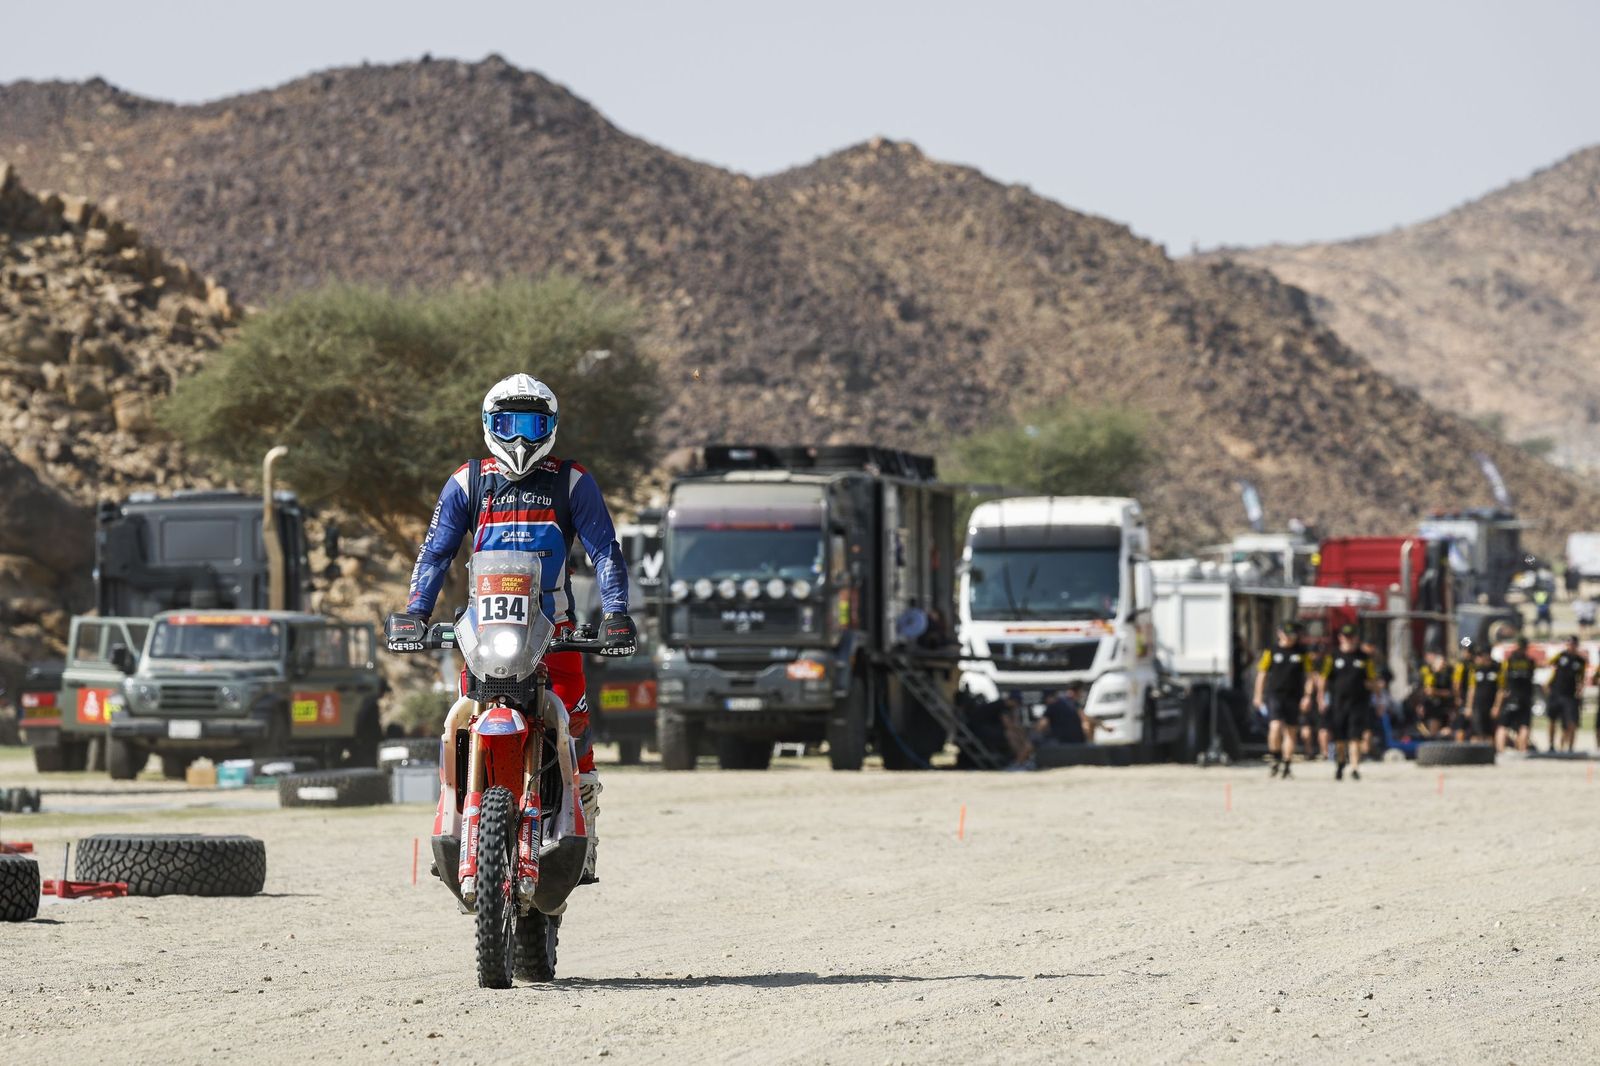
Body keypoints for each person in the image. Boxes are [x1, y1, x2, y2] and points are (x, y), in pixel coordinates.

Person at [386, 374, 637, 883]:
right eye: (508, 424)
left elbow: (604, 551)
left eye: (533, 424)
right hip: (485, 631)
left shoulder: (572, 481)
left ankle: (583, 829)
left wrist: (615, 614)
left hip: (554, 631)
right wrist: (416, 611)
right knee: (460, 721)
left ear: (552, 426)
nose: (520, 438)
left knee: (577, 731)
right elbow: (436, 552)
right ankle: (455, 816)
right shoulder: (467, 481)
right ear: (487, 426)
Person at [1252, 621, 1316, 779]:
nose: (1289, 638)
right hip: (1274, 694)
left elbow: (1309, 676)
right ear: (1279, 634)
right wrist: (1258, 695)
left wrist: (1307, 696)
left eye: (1291, 635)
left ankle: (1287, 764)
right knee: (1275, 726)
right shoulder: (1271, 651)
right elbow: (1262, 674)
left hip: (1294, 696)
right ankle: (1274, 757)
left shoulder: (1302, 653)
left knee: (1291, 731)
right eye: (1286, 634)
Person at [1318, 625, 1380, 781]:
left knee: (1355, 737)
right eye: (1346, 636)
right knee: (1339, 738)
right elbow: (1323, 679)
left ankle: (1355, 767)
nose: (1349, 640)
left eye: (1351, 636)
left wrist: (1378, 698)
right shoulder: (1332, 656)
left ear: (1356, 638)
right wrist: (1320, 698)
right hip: (1338, 703)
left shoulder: (1364, 658)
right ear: (1340, 638)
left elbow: (1373, 680)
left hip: (1358, 703)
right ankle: (1340, 762)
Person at [1493, 636, 1537, 754]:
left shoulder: (1508, 662)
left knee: (1503, 725)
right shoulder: (1530, 662)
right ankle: (1522, 751)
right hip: (1526, 697)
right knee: (1524, 725)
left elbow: (1503, 684)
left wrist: (1498, 704)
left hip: (1511, 697)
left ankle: (1500, 751)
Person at [1545, 636, 1586, 754]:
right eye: (1568, 643)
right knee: (1552, 720)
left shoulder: (1580, 661)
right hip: (1556, 693)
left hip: (1570, 695)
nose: (1570, 646)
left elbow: (1581, 679)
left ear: (1576, 645)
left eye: (1573, 644)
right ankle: (1551, 746)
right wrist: (1548, 684)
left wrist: (1580, 691)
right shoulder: (1560, 655)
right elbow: (1548, 664)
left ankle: (1570, 748)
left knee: (1571, 722)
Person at [1416, 648, 1456, 738]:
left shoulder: (1447, 675)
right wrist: (1420, 704)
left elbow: (1451, 692)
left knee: (1443, 732)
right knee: (1427, 730)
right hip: (1430, 707)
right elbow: (1424, 690)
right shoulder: (1427, 673)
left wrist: (1435, 692)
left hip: (1443, 707)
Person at [1466, 642, 1501, 743]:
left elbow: (1501, 690)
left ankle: (1488, 753)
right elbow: (1471, 689)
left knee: (1489, 732)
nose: (1478, 658)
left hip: (1491, 705)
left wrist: (1496, 706)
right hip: (1477, 705)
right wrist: (1469, 706)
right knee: (1476, 732)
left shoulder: (1497, 668)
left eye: (1480, 655)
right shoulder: (1474, 670)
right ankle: (1476, 754)